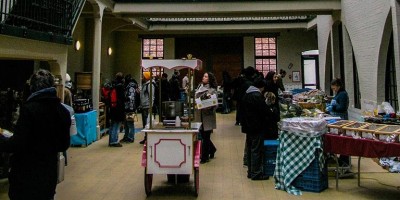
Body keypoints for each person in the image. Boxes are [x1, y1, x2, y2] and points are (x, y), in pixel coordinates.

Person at [0, 69, 71, 199]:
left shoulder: (29, 110)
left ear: (32, 87)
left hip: (26, 173)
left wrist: (3, 140)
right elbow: (64, 145)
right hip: (48, 173)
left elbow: (18, 143)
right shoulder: (63, 112)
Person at [241, 77, 270, 180]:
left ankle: (250, 171)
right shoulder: (257, 95)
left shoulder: (247, 94)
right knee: (256, 149)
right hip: (257, 126)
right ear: (261, 87)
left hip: (248, 126)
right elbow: (264, 110)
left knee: (250, 148)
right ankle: (256, 173)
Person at [195, 72, 218, 164]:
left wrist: (208, 104)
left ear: (209, 79)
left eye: (206, 76)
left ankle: (204, 157)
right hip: (199, 114)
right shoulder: (199, 87)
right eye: (203, 76)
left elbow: (214, 104)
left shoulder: (212, 90)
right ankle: (212, 149)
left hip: (207, 115)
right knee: (203, 135)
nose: (203, 77)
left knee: (206, 136)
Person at [329, 78, 350, 167]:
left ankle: (344, 161)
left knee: (342, 139)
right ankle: (340, 159)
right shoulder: (338, 94)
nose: (334, 90)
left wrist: (333, 108)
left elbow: (343, 108)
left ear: (339, 86)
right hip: (337, 118)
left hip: (341, 119)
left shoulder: (343, 94)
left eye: (334, 88)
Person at [108, 72, 125, 147]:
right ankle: (114, 141)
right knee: (117, 125)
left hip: (112, 107)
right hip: (118, 108)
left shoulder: (112, 85)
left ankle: (111, 140)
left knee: (113, 124)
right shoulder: (120, 87)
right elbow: (122, 98)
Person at [121, 74, 138, 143]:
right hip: (129, 107)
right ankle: (127, 136)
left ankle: (130, 137)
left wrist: (131, 108)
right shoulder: (130, 86)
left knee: (130, 123)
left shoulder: (130, 87)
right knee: (127, 123)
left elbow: (131, 98)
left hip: (129, 107)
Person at [139, 71, 155, 144]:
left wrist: (150, 106)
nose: (142, 77)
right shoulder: (146, 84)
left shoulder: (150, 85)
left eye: (143, 76)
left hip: (147, 106)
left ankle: (147, 138)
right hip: (144, 105)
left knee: (147, 123)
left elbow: (151, 96)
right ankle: (146, 137)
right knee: (145, 123)